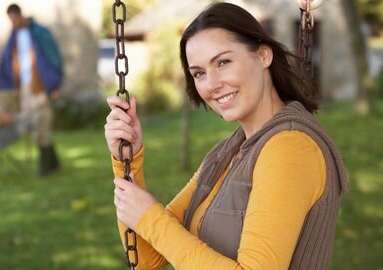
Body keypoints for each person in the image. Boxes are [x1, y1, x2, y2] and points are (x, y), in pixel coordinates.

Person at [104, 2, 349, 269]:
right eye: (198, 73)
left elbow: (153, 225)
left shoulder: (290, 147)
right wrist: (128, 162)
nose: (211, 85)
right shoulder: (226, 153)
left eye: (223, 62)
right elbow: (147, 259)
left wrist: (149, 217)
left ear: (263, 55)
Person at [0, 3, 62, 176]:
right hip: (25, 87)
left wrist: (55, 84)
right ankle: (53, 163)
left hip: (39, 85)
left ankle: (45, 167)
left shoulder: (39, 32)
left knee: (42, 121)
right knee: (35, 125)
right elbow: (14, 62)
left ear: (19, 15)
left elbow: (53, 56)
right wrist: (16, 86)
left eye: (14, 19)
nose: (13, 23)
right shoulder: (15, 36)